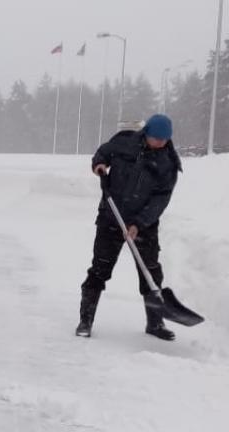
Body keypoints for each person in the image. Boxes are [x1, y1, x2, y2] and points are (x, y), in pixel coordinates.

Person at [76, 114, 182, 341]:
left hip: (144, 224)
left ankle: (155, 323)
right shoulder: (125, 141)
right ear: (147, 133)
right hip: (111, 218)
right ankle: (85, 320)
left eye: (164, 140)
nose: (159, 143)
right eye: (156, 138)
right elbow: (103, 152)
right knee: (99, 269)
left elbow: (161, 199)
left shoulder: (168, 162)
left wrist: (139, 224)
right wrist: (99, 164)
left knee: (151, 271)